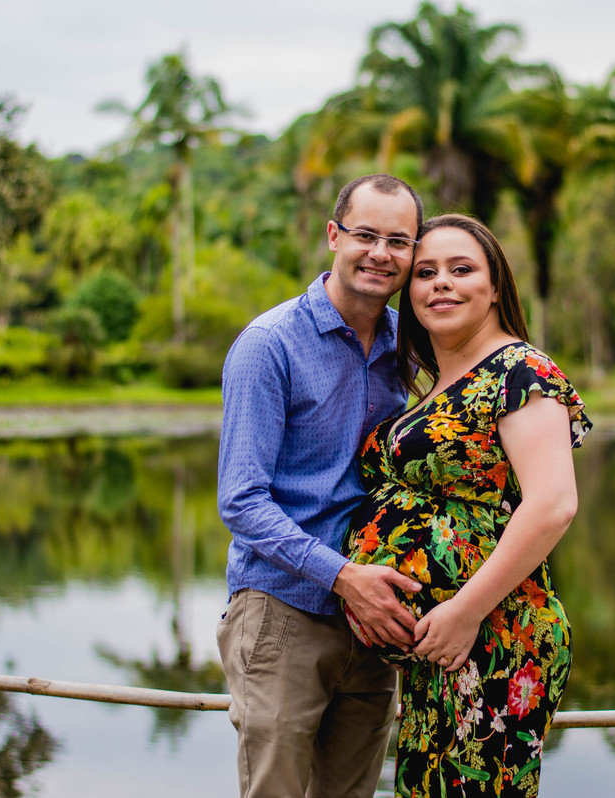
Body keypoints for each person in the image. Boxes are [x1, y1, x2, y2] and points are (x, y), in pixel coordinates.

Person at [342, 213, 591, 798]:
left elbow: (553, 504)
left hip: (493, 635)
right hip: (440, 648)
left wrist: (464, 611)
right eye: (425, 273)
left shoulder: (519, 371)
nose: (441, 284)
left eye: (461, 269)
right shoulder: (433, 384)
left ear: (495, 284)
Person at [216, 174, 429, 798]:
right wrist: (343, 577)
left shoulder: (408, 350)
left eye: (399, 240)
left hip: (377, 619)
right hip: (284, 609)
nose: (381, 253)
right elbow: (241, 501)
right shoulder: (268, 345)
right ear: (333, 236)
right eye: (366, 235)